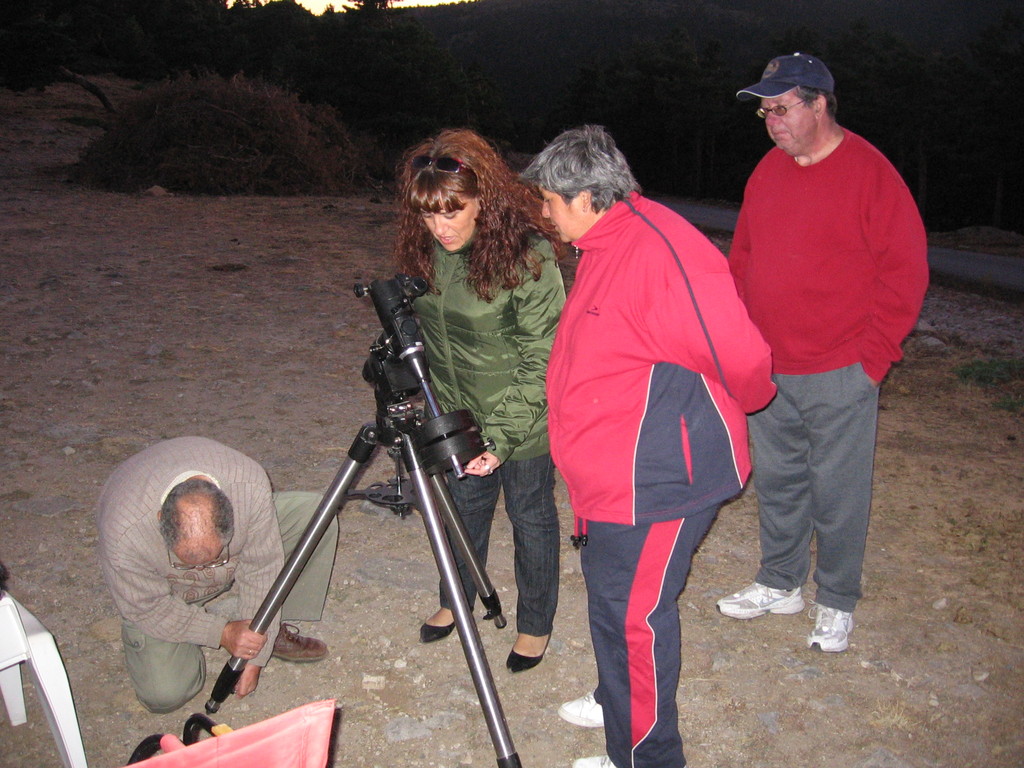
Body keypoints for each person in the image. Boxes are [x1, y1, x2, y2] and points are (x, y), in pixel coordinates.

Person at [521, 125, 776, 768]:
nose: (543, 214)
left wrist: (726, 410)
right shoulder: (608, 239)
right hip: (614, 474)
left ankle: (643, 756)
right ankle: (619, 702)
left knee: (634, 618)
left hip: (659, 478)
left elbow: (742, 358)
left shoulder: (663, 252)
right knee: (613, 600)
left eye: (549, 201)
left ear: (585, 196)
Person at [717, 53, 929, 652]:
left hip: (841, 368)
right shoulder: (767, 171)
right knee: (780, 482)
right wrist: (742, 340)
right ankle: (780, 581)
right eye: (765, 110)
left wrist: (872, 359)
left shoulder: (871, 173)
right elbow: (744, 261)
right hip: (770, 365)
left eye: (782, 108)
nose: (771, 120)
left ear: (819, 103)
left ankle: (836, 600)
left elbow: (905, 272)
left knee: (838, 493)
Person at [394, 128, 566, 673]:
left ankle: (535, 623)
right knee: (462, 510)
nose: (439, 227)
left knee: (530, 517)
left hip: (524, 418)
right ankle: (457, 598)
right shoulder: (429, 250)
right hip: (458, 414)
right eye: (427, 214)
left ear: (482, 198)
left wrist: (500, 436)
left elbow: (545, 358)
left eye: (452, 211)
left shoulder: (526, 256)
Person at [96, 436, 337, 713]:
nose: (204, 571)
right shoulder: (124, 530)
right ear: (161, 519)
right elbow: (147, 608)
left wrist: (256, 648)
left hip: (239, 537)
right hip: (167, 593)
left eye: (215, 556)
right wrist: (220, 632)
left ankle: (275, 625)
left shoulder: (248, 487)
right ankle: (199, 629)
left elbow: (262, 567)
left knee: (314, 514)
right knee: (164, 695)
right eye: (188, 561)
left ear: (231, 517)